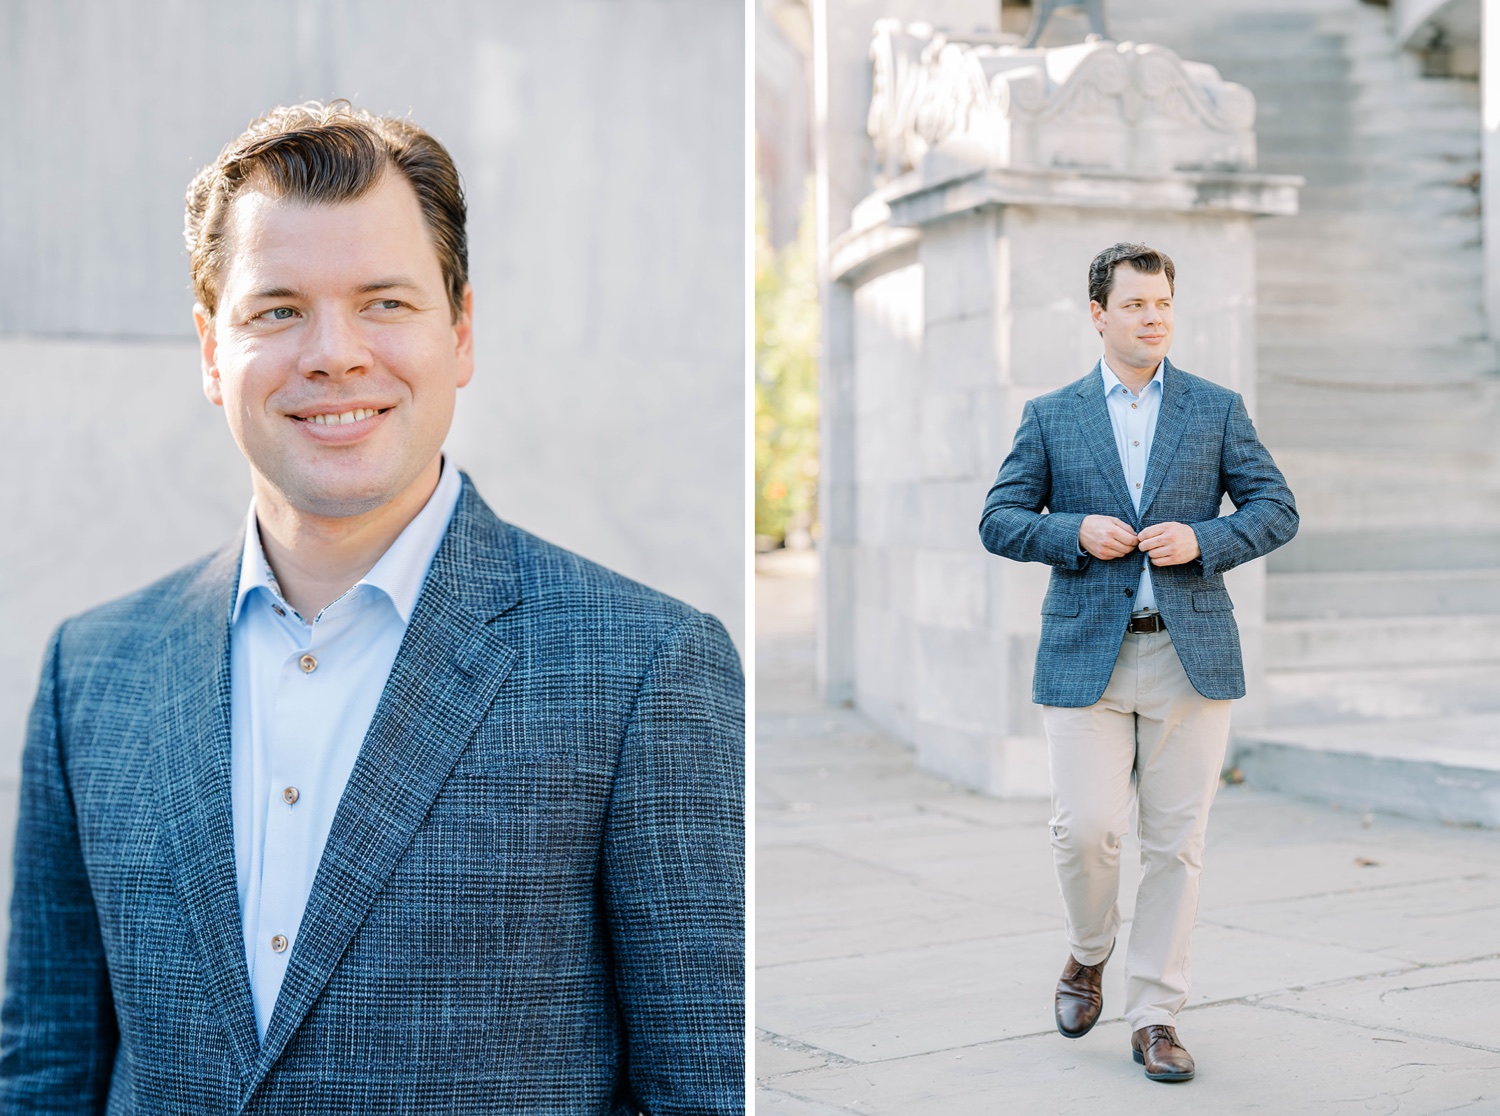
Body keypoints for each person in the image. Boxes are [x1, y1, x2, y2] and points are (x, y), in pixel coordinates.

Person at [0, 101, 744, 1114]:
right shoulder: (90, 670)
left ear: (462, 331)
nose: (334, 353)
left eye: (384, 303)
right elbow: (47, 1066)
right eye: (277, 309)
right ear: (212, 353)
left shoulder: (647, 668)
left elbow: (706, 1082)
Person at [977, 242, 1297, 1083]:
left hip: (1188, 654)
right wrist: (1071, 532)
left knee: (1176, 846)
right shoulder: (1052, 415)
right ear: (1099, 314)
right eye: (1135, 306)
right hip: (1087, 655)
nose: (1152, 319)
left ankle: (1155, 1014)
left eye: (1162, 305)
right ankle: (1089, 951)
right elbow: (1000, 518)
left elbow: (1276, 507)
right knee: (1085, 830)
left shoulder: (1216, 408)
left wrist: (1208, 539)